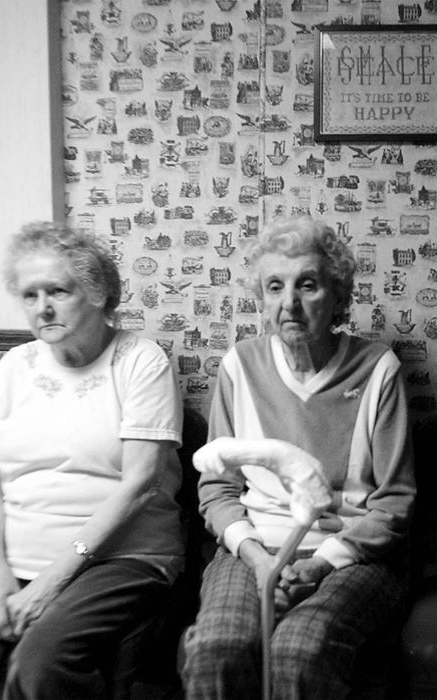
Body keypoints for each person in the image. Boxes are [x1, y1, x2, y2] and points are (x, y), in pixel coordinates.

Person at [0, 222, 185, 699]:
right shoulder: (14, 367)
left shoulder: (141, 361)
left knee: (40, 665)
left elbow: (139, 484)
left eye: (58, 291)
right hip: (15, 551)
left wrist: (47, 584)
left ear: (99, 292)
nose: (42, 307)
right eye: (29, 295)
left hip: (120, 559)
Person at [182, 216, 416, 699]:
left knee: (299, 653)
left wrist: (321, 564)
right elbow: (218, 490)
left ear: (337, 295)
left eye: (307, 285)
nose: (289, 302)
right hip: (253, 548)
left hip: (353, 555)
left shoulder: (379, 370)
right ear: (262, 298)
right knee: (216, 648)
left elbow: (394, 504)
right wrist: (257, 557)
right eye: (274, 287)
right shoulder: (239, 366)